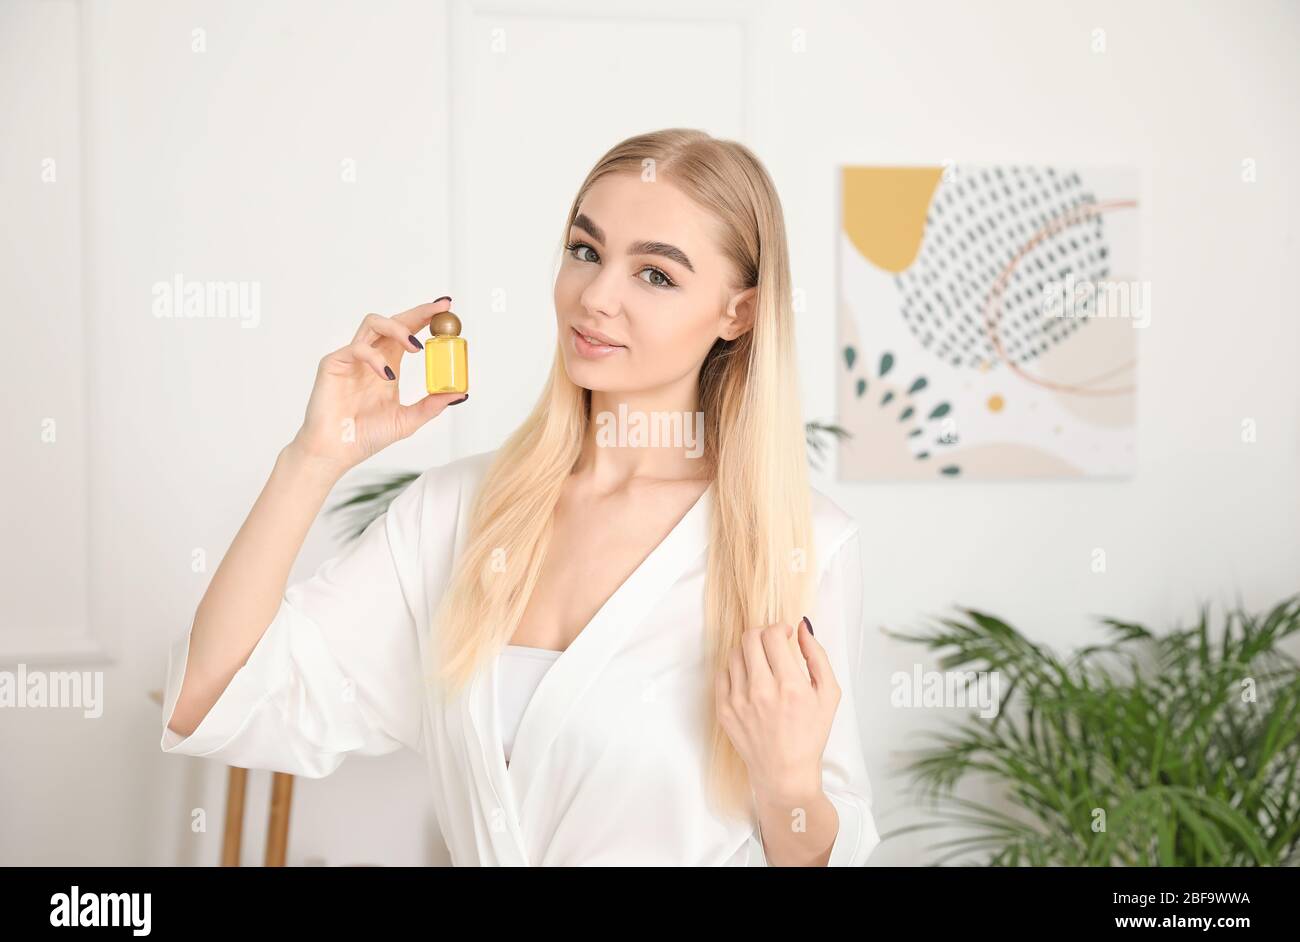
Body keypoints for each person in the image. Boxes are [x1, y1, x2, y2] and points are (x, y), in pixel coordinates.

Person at [161, 127, 880, 866]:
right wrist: (310, 461)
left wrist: (789, 787)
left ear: (740, 313)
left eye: (655, 275)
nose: (596, 296)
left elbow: (829, 853)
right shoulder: (455, 513)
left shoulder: (802, 546)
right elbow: (214, 701)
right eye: (585, 251)